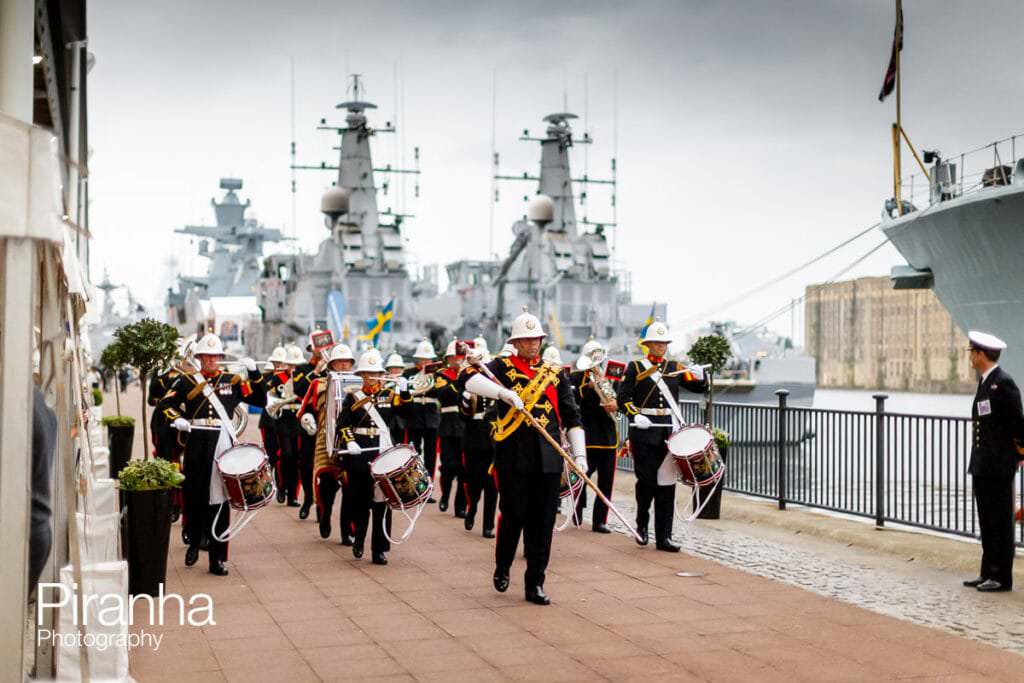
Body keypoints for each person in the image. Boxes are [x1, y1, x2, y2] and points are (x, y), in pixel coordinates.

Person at [463, 308, 586, 605]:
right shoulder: (501, 367)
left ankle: (535, 583)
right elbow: (469, 380)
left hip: (548, 458)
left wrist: (580, 456)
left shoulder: (555, 374)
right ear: (515, 342)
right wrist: (503, 394)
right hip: (513, 455)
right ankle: (503, 564)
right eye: (526, 339)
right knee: (514, 515)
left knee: (543, 522)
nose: (533, 344)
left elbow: (572, 417)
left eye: (536, 339)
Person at [158, 333, 266, 575]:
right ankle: (195, 543)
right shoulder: (186, 381)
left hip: (222, 443)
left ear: (220, 357)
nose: (211, 360)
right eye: (206, 356)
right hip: (197, 442)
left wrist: (255, 374)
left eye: (214, 356)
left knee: (221, 500)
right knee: (195, 497)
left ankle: (218, 558)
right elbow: (165, 406)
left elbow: (260, 399)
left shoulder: (233, 380)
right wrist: (178, 419)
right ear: (199, 358)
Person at [617, 321, 707, 552]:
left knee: (667, 485)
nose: (661, 347)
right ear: (648, 345)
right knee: (646, 482)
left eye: (664, 343)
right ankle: (642, 526)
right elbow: (623, 398)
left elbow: (699, 389)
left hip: (669, 432)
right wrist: (634, 415)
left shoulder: (675, 366)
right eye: (656, 343)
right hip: (644, 431)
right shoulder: (636, 368)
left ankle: (664, 536)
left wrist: (701, 376)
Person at [337, 349, 412, 565]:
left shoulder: (390, 395)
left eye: (374, 372)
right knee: (360, 502)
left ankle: (379, 549)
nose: (371, 377)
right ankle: (359, 538)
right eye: (366, 373)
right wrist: (349, 440)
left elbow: (408, 415)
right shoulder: (352, 396)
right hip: (359, 453)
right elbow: (343, 423)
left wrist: (405, 393)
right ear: (360, 375)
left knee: (382, 503)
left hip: (383, 452)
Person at [963, 331, 1024, 592]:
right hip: (984, 464)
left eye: (972, 352)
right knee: (986, 519)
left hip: (998, 464)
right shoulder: (987, 382)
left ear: (980, 354)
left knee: (1000, 521)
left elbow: (1018, 425)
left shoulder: (1004, 383)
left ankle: (1001, 577)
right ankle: (987, 571)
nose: (970, 357)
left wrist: (1019, 456)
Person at [300, 343, 357, 544]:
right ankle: (324, 515)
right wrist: (308, 420)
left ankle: (348, 531)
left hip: (351, 440)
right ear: (331, 365)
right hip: (326, 440)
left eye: (346, 362)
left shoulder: (359, 384)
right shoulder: (318, 384)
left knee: (351, 487)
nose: (343, 365)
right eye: (339, 362)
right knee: (327, 486)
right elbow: (305, 409)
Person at [570, 339, 620, 533]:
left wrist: (616, 405)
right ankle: (577, 509)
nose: (596, 363)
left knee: (606, 481)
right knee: (581, 476)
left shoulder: (611, 377)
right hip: (587, 434)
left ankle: (600, 520)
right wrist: (589, 387)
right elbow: (573, 402)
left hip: (607, 437)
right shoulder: (576, 378)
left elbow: (621, 399)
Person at [148, 335, 195, 524]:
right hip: (164, 424)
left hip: (184, 425)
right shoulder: (162, 376)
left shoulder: (189, 376)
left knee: (185, 465)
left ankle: (182, 504)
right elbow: (152, 399)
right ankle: (171, 505)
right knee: (168, 462)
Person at [458, 342, 498, 538]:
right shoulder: (468, 384)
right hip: (474, 440)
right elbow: (463, 416)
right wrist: (466, 399)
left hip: (493, 440)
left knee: (492, 485)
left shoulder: (496, 385)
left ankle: (488, 525)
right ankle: (472, 508)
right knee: (474, 484)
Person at [292, 339, 330, 520]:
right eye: (317, 347)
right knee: (306, 465)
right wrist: (315, 372)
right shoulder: (302, 369)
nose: (321, 351)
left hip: (327, 423)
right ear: (311, 349)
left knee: (326, 467)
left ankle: (321, 506)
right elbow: (299, 390)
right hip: (309, 422)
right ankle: (308, 498)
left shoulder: (333, 370)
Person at [262, 345, 301, 506]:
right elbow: (267, 396)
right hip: (282, 420)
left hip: (299, 421)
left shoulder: (303, 378)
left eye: (296, 364)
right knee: (286, 456)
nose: (293, 367)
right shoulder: (277, 378)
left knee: (297, 460)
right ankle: (282, 486)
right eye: (290, 364)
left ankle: (292, 495)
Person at [403, 339, 441, 503]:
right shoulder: (408, 373)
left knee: (431, 455)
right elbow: (405, 393)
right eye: (422, 359)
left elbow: (440, 393)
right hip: (414, 415)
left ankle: (428, 489)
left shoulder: (437, 374)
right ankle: (414, 487)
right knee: (413, 453)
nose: (425, 362)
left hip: (431, 417)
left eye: (428, 359)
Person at [437, 338, 467, 516]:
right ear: (448, 359)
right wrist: (461, 379)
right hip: (448, 425)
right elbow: (445, 395)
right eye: (455, 357)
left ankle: (460, 505)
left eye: (461, 357)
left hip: (465, 426)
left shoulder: (470, 374)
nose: (458, 360)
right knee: (449, 467)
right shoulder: (441, 375)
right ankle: (445, 496)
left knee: (464, 469)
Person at [385, 353, 407, 445]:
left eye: (398, 368)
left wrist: (404, 388)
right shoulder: (384, 382)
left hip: (402, 420)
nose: (395, 370)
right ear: (388, 369)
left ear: (402, 369)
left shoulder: (406, 382)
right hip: (387, 419)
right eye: (393, 368)